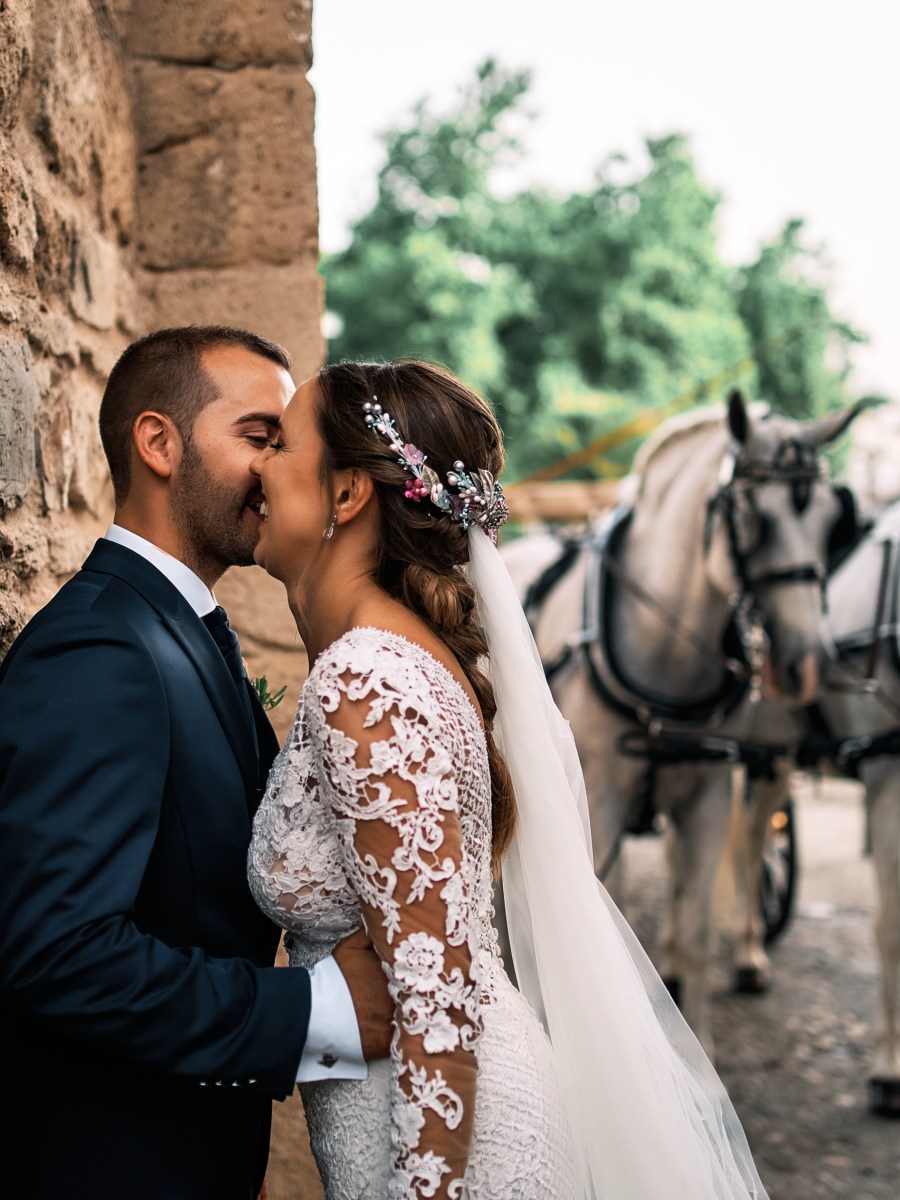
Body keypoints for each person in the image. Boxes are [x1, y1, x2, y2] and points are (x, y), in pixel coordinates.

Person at [247, 358, 773, 1199]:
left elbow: (434, 1002)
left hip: (454, 1154)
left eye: (279, 442)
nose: (257, 465)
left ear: (347, 496)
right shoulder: (396, 657)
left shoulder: (366, 678)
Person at [0, 327, 391, 1200]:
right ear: (159, 443)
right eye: (261, 436)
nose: (280, 468)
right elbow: (56, 951)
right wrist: (318, 1012)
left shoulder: (177, 630)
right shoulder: (102, 647)